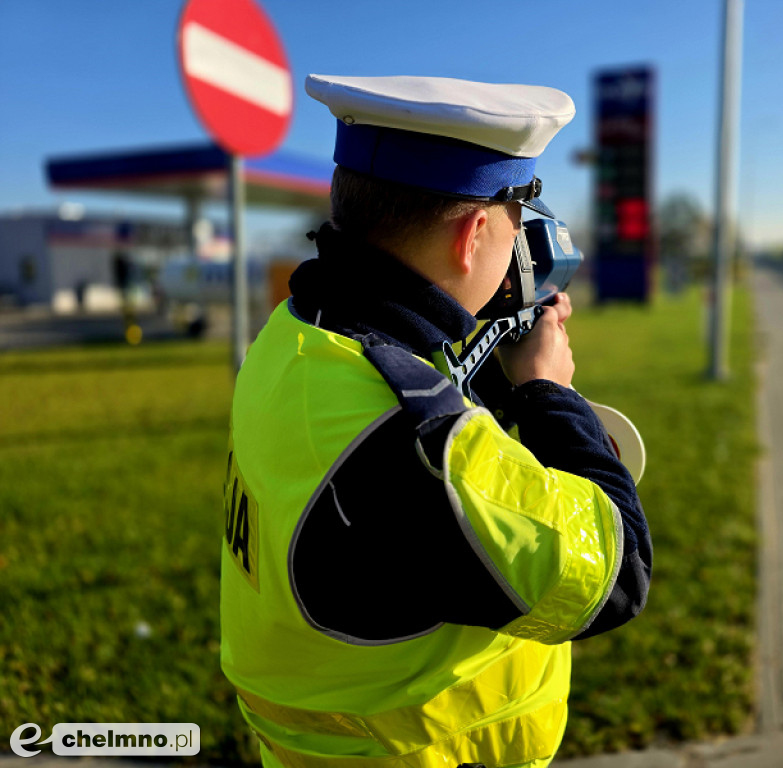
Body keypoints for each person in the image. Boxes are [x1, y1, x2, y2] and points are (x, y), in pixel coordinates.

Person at [220, 75, 653, 768]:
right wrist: (547, 390)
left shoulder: (296, 335)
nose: (523, 237)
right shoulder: (413, 439)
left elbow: (408, 368)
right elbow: (617, 571)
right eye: (519, 212)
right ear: (476, 232)